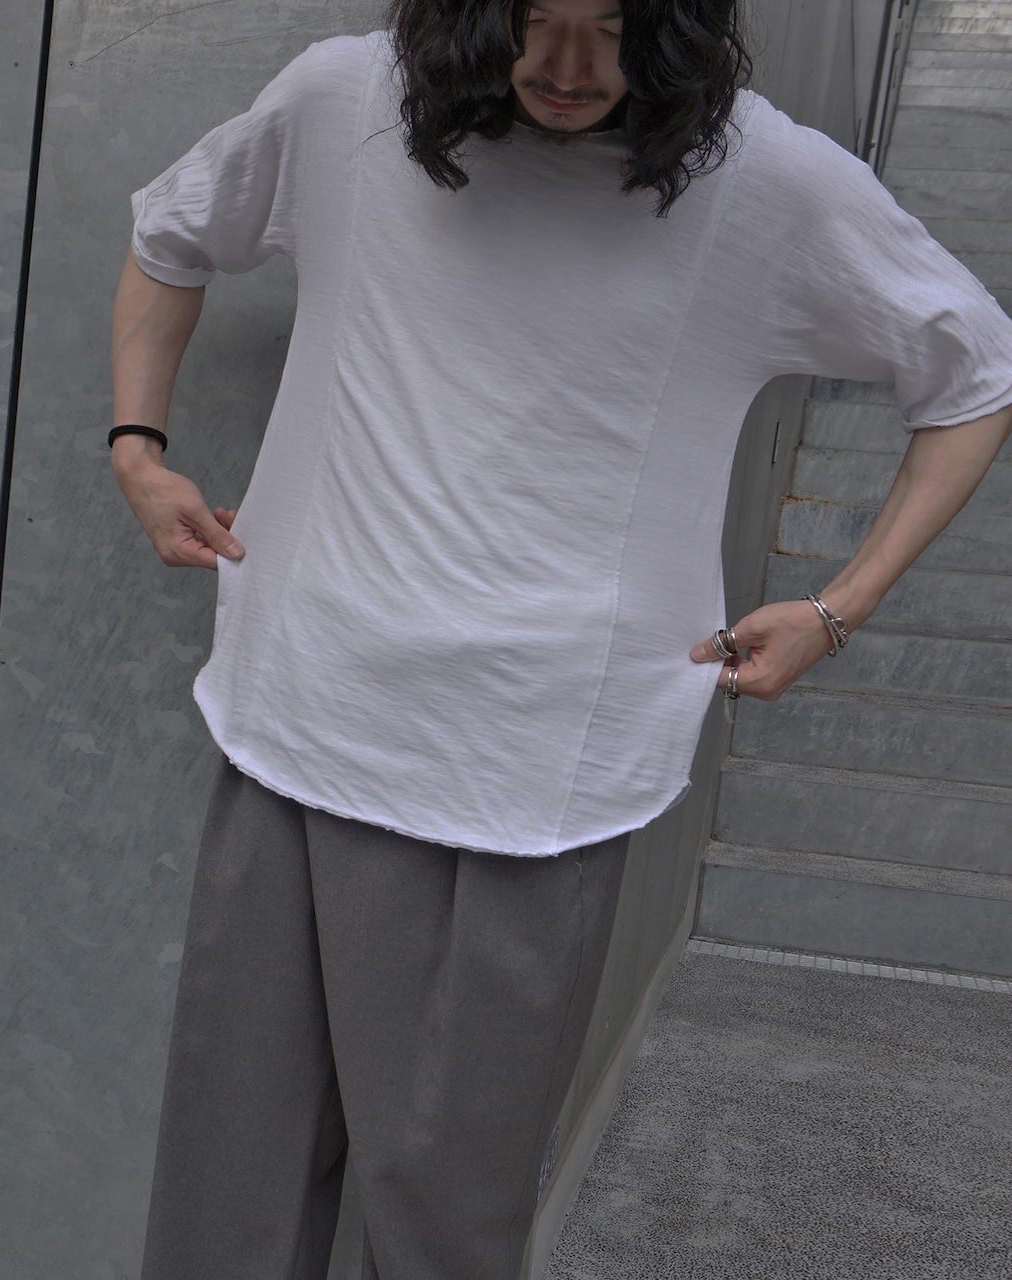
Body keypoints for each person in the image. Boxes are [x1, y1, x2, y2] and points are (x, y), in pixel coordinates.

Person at [110, 1, 1012, 1277]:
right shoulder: (342, 100)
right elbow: (172, 230)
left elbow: (975, 372)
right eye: (533, 19)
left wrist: (836, 607)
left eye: (611, 24)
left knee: (443, 1225)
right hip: (294, 723)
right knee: (224, 1190)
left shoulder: (761, 177)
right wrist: (137, 446)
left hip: (526, 779)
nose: (568, 66)